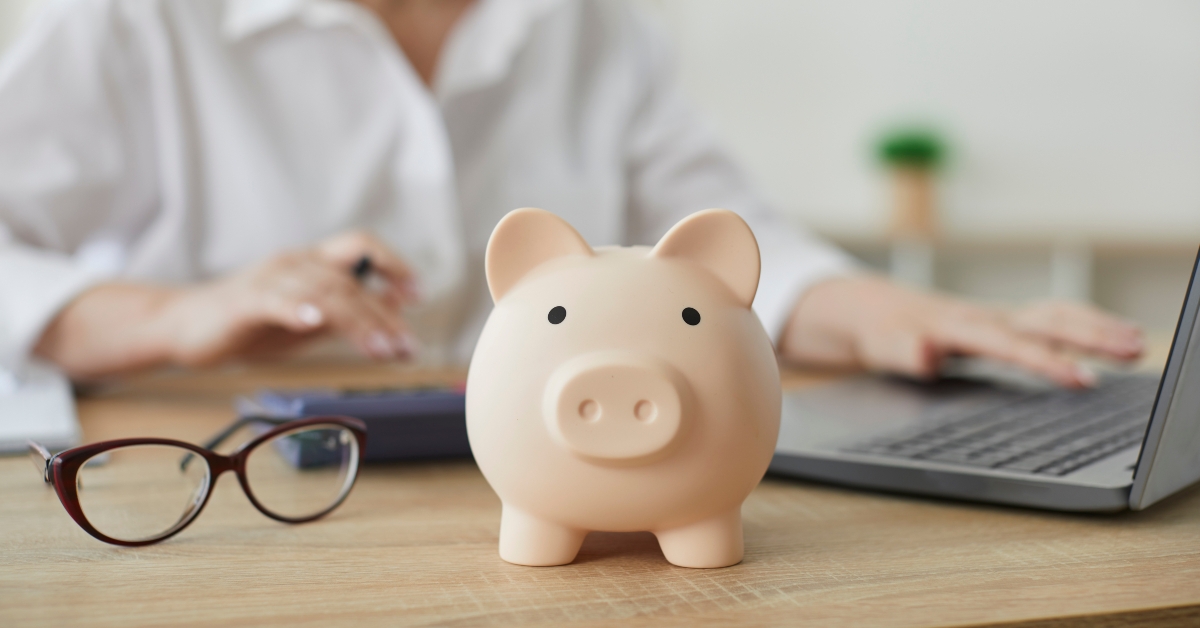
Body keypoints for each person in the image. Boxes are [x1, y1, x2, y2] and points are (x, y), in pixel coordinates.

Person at [0, 0, 1142, 384]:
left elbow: (728, 247)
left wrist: (905, 314)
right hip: (232, 495)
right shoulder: (128, 19)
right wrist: (168, 313)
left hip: (540, 484)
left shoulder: (583, 22)